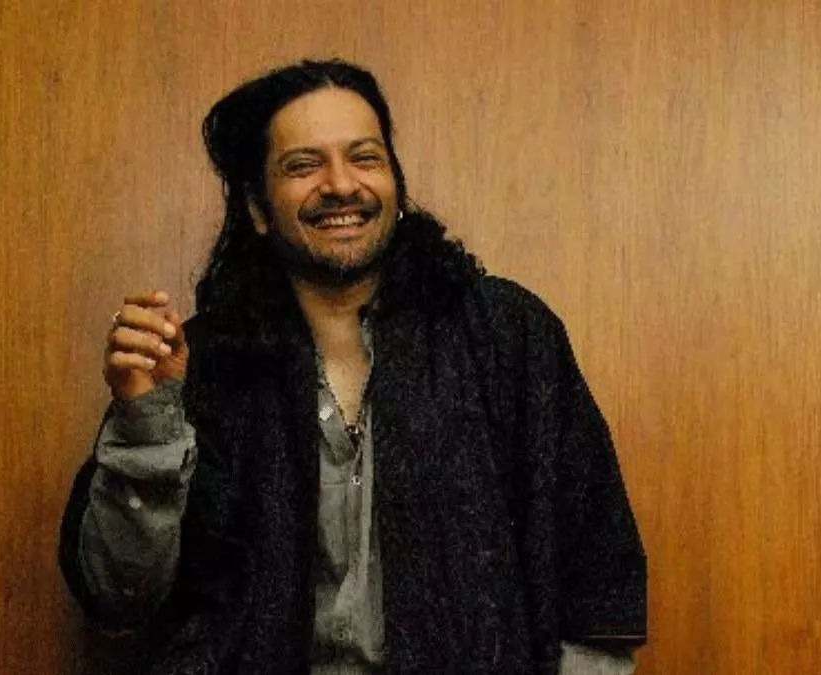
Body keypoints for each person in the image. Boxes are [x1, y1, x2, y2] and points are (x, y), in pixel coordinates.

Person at [59, 59, 647, 675]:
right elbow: (117, 596)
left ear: (394, 183)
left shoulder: (506, 335)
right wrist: (147, 422)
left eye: (365, 158)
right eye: (303, 166)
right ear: (258, 208)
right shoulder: (196, 364)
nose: (341, 184)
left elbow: (595, 572)